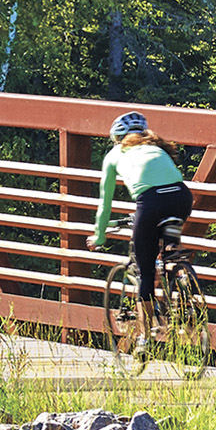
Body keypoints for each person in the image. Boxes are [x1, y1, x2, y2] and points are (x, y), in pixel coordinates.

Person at [90, 111, 190, 303]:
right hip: (182, 197)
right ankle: (180, 275)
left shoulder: (114, 154)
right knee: (169, 246)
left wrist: (99, 236)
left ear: (117, 138)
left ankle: (147, 332)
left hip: (151, 203)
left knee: (146, 271)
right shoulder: (157, 147)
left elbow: (105, 201)